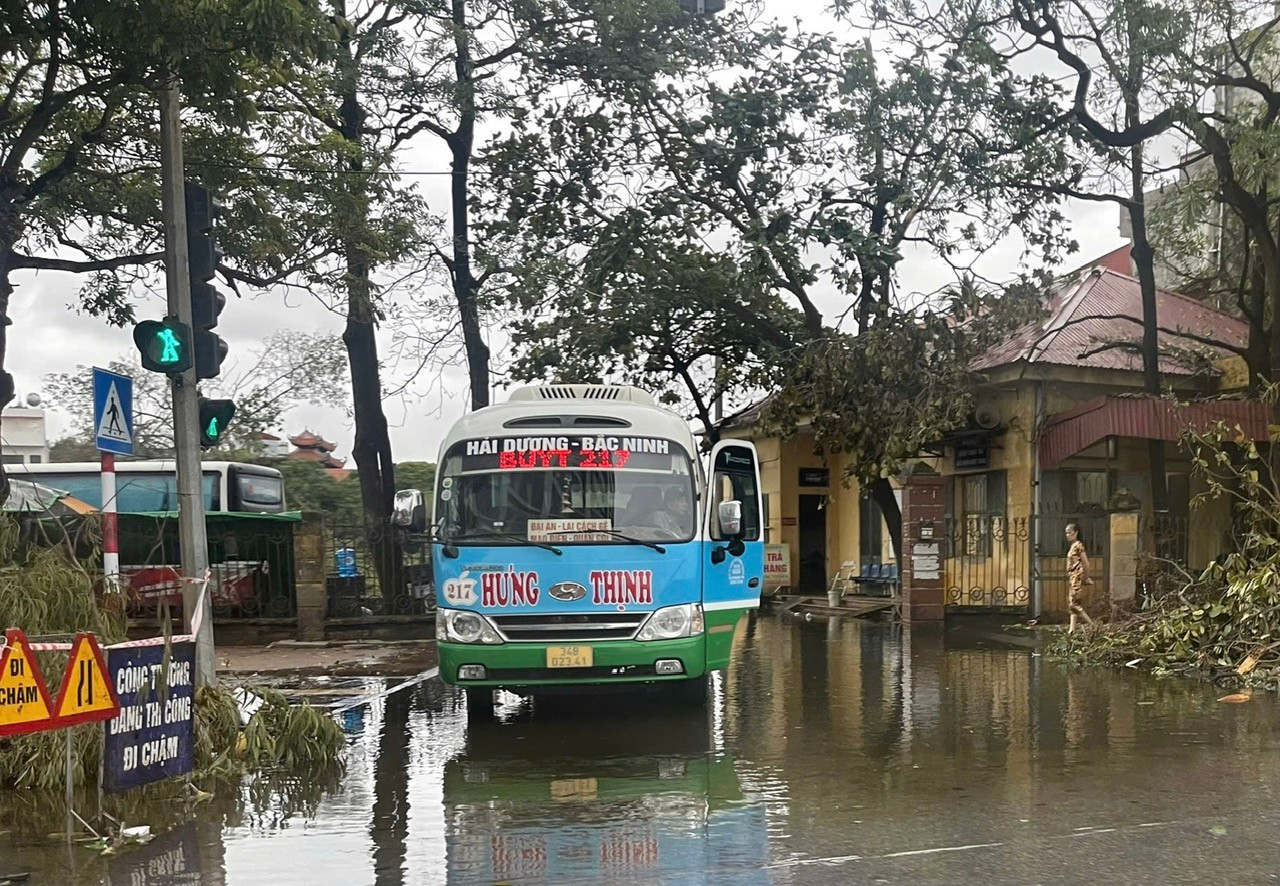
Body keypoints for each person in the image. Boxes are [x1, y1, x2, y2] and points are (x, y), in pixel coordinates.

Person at [1066, 522, 1095, 633]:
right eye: (1066, 533)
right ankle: (1071, 630)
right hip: (1072, 578)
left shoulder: (1078, 545)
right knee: (1072, 604)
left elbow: (1086, 563)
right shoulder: (1073, 546)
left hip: (1077, 578)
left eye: (1070, 533)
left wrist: (1086, 577)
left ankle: (1092, 625)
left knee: (1074, 605)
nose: (1068, 535)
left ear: (1076, 533)